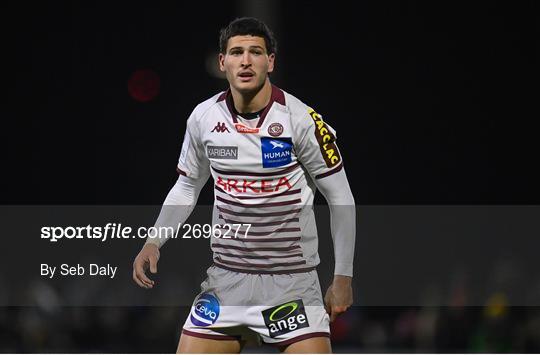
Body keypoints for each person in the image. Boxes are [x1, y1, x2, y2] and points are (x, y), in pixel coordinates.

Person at [132, 17, 356, 353]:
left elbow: (340, 197)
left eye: (255, 52)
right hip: (227, 282)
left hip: (291, 283)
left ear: (271, 61)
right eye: (237, 52)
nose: (246, 60)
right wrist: (154, 241)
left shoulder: (301, 120)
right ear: (223, 62)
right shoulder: (204, 117)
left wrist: (343, 277)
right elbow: (187, 186)